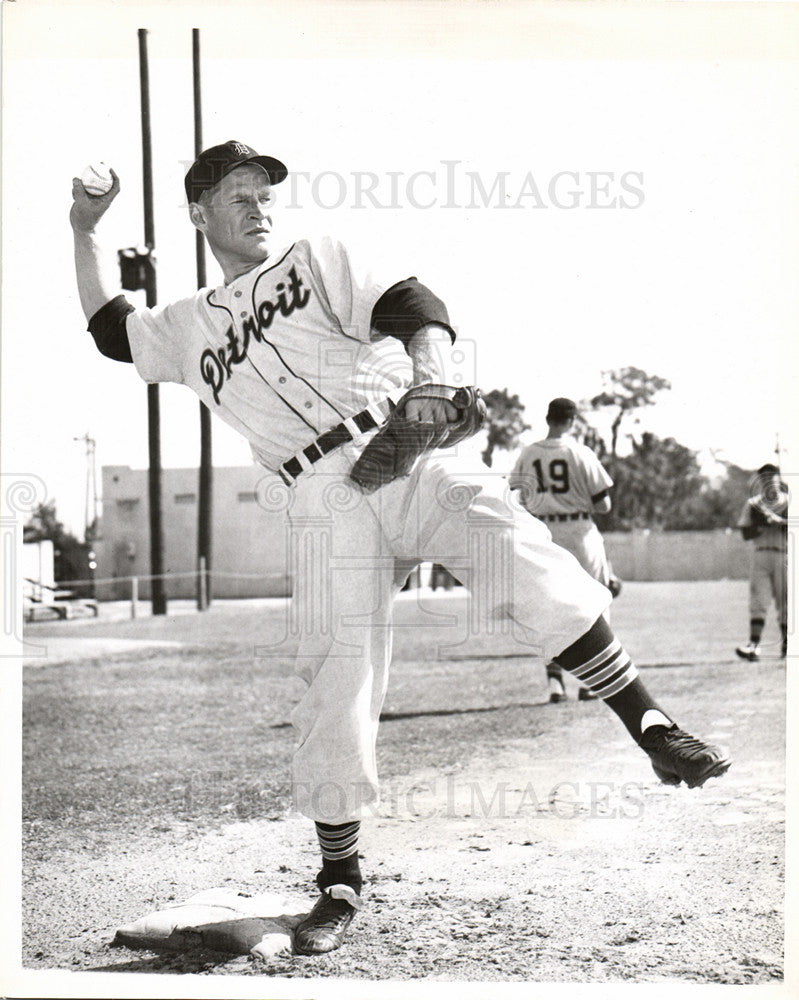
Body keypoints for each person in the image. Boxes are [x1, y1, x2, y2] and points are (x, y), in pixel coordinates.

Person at [70, 139, 731, 956]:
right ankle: (339, 881)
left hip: (397, 445)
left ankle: (653, 728)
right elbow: (110, 332)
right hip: (316, 494)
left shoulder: (313, 259)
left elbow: (414, 305)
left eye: (265, 191)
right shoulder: (184, 327)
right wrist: (84, 229)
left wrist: (432, 373)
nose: (259, 204)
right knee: (335, 674)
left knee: (506, 539)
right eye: (237, 194)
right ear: (199, 213)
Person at [509, 398, 617, 703]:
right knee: (596, 603)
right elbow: (603, 504)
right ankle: (593, 683)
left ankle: (555, 683)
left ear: (547, 418)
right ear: (571, 420)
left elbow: (513, 493)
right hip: (579, 531)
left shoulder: (529, 453)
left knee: (547, 607)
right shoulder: (580, 452)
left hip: (543, 532)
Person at [735, 463, 789, 661]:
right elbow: (745, 532)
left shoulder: (789, 502)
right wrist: (762, 524)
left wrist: (780, 521)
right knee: (759, 600)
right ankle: (754, 645)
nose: (768, 484)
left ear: (778, 480)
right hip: (761, 553)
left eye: (771, 479)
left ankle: (788, 645)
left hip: (784, 554)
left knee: (786, 602)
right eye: (764, 479)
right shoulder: (754, 504)